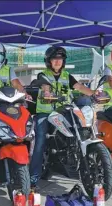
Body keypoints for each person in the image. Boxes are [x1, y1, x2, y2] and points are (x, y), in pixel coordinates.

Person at [29, 46, 100, 189]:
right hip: (46, 113)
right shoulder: (43, 75)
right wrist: (47, 93)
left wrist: (93, 93)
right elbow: (44, 86)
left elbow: (80, 87)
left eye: (60, 59)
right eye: (54, 59)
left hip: (63, 111)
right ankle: (33, 178)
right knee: (40, 141)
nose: (57, 62)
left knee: (80, 126)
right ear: (49, 61)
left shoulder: (67, 76)